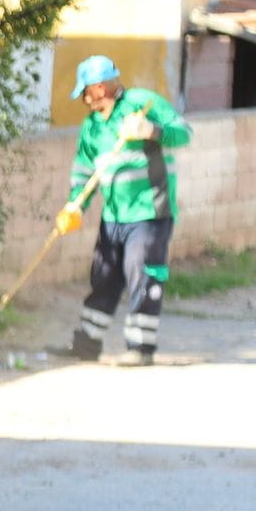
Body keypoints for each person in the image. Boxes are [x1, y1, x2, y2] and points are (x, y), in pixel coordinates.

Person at [58, 55, 191, 366]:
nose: (84, 99)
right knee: (103, 275)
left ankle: (141, 349)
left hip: (149, 213)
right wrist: (75, 204)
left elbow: (184, 133)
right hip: (113, 215)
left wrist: (152, 130)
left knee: (142, 274)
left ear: (100, 87)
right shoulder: (91, 127)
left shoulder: (142, 103)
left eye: (85, 92)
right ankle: (86, 343)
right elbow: (83, 171)